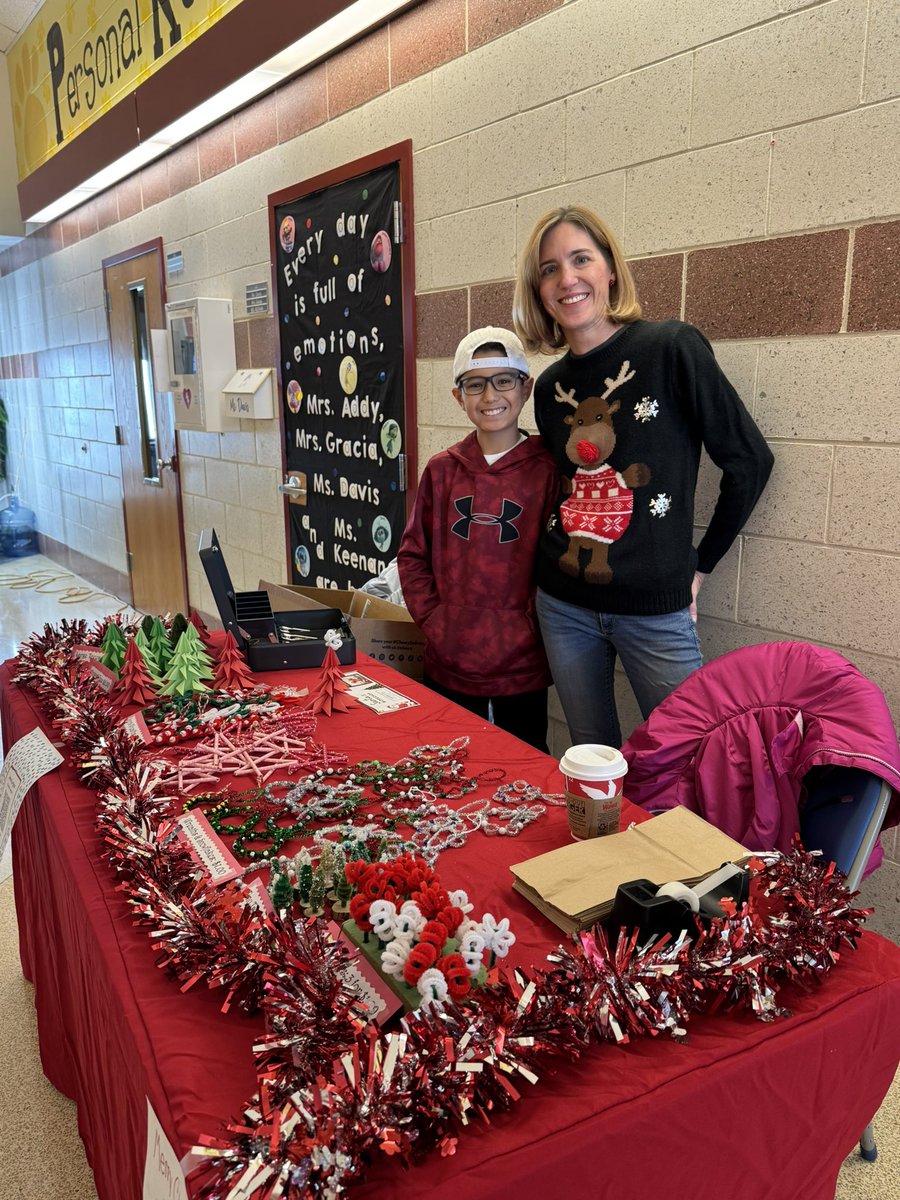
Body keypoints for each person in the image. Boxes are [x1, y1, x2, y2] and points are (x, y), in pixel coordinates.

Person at [513, 205, 773, 747]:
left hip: (656, 611)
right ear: (539, 290)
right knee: (590, 759)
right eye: (549, 268)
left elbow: (749, 461)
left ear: (610, 269)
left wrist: (699, 568)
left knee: (694, 757)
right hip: (563, 605)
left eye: (581, 259)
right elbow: (565, 485)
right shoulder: (549, 388)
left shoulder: (670, 349)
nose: (567, 279)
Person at [397, 327, 558, 750]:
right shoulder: (442, 470)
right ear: (458, 396)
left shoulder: (548, 470)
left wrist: (531, 626)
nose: (490, 397)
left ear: (526, 388)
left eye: (504, 381)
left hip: (522, 660)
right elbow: (412, 556)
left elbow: (560, 560)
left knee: (522, 765)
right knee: (448, 763)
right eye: (475, 385)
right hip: (449, 656)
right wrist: (437, 621)